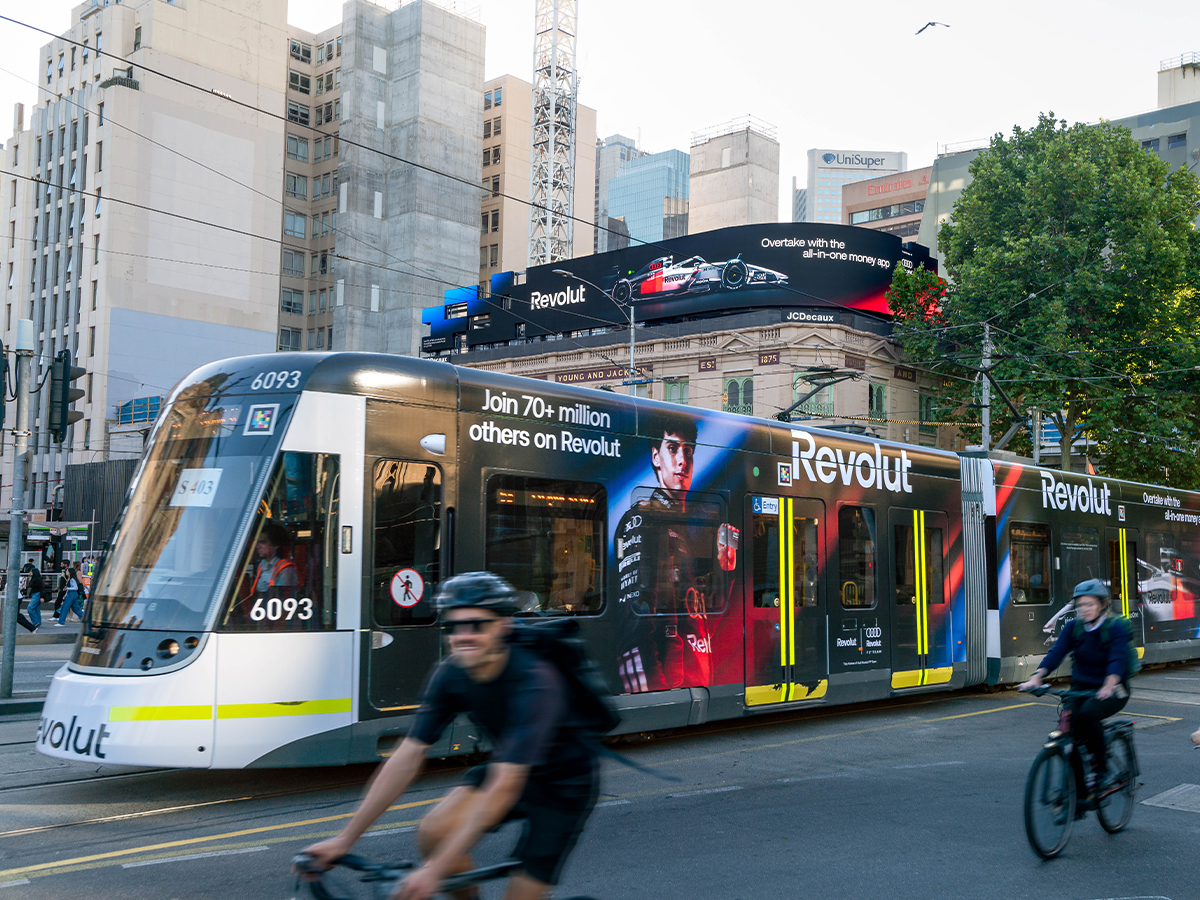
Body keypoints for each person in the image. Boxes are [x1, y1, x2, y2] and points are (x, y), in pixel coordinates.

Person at [301, 572, 599, 900]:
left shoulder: (535, 680)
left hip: (565, 785)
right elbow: (407, 756)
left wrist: (433, 872)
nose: (463, 635)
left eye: (477, 625)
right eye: (453, 626)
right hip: (509, 768)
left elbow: (505, 787)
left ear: (503, 626)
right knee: (433, 831)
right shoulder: (451, 673)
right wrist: (345, 839)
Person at [614, 412, 737, 692]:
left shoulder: (680, 530)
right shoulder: (643, 520)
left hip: (691, 690)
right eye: (673, 449)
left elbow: (699, 625)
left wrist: (725, 569)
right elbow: (636, 623)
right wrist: (655, 698)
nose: (683, 461)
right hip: (671, 691)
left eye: (689, 451)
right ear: (656, 457)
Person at [1019, 578, 1131, 796]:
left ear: (1102, 605)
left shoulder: (1114, 628)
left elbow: (1117, 659)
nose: (1084, 610)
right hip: (1081, 688)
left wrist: (1109, 684)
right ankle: (1080, 795)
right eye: (1080, 605)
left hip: (1114, 688)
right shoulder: (1074, 628)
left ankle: (1102, 770)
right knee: (1069, 727)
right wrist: (1036, 677)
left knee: (1088, 714)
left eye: (1089, 604)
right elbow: (1056, 653)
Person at [253, 521, 297, 595]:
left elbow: (283, 596)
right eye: (257, 543)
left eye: (263, 542)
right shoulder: (261, 567)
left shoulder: (286, 569)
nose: (258, 546)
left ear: (276, 544)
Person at [20, 562, 44, 631]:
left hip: (37, 594)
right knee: (36, 609)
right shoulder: (36, 578)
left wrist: (42, 596)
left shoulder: (37, 579)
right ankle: (38, 622)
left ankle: (35, 622)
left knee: (30, 608)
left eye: (31, 571)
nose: (30, 572)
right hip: (36, 594)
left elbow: (41, 588)